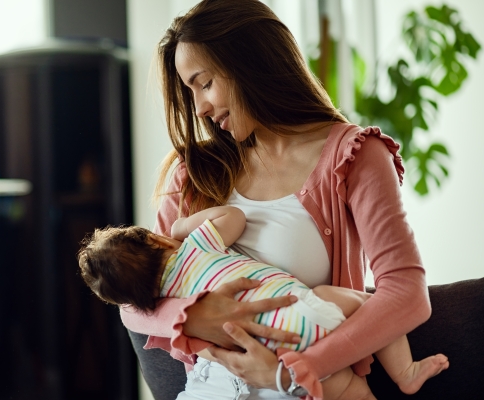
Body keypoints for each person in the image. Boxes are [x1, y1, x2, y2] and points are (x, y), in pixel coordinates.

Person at [121, 0, 436, 399]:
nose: (199, 107)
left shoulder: (354, 156)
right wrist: (195, 317)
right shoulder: (195, 173)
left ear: (247, 61)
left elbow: (406, 293)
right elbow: (131, 299)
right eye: (190, 91)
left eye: (204, 83)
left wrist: (296, 370)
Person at [79, 206, 448, 399]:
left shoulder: (170, 301)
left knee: (349, 391)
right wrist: (182, 226)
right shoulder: (195, 245)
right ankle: (405, 373)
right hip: (302, 314)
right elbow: (234, 217)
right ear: (157, 241)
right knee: (369, 304)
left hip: (268, 353)